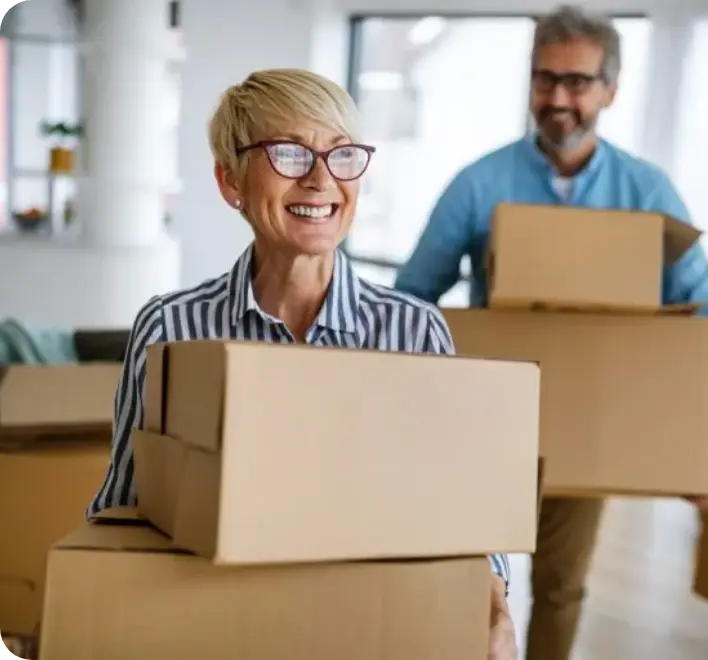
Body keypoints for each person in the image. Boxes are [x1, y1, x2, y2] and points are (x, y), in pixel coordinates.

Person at [86, 68, 517, 660]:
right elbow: (123, 504)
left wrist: (494, 606)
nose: (321, 180)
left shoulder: (413, 331)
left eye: (343, 156)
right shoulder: (169, 330)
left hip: (372, 631)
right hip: (215, 629)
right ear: (229, 179)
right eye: (289, 154)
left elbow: (463, 510)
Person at [395, 7, 708, 660]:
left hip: (588, 428)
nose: (558, 98)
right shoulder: (480, 184)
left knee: (560, 588)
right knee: (465, 582)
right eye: (544, 79)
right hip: (485, 423)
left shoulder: (644, 190)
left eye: (577, 83)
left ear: (610, 89)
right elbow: (413, 300)